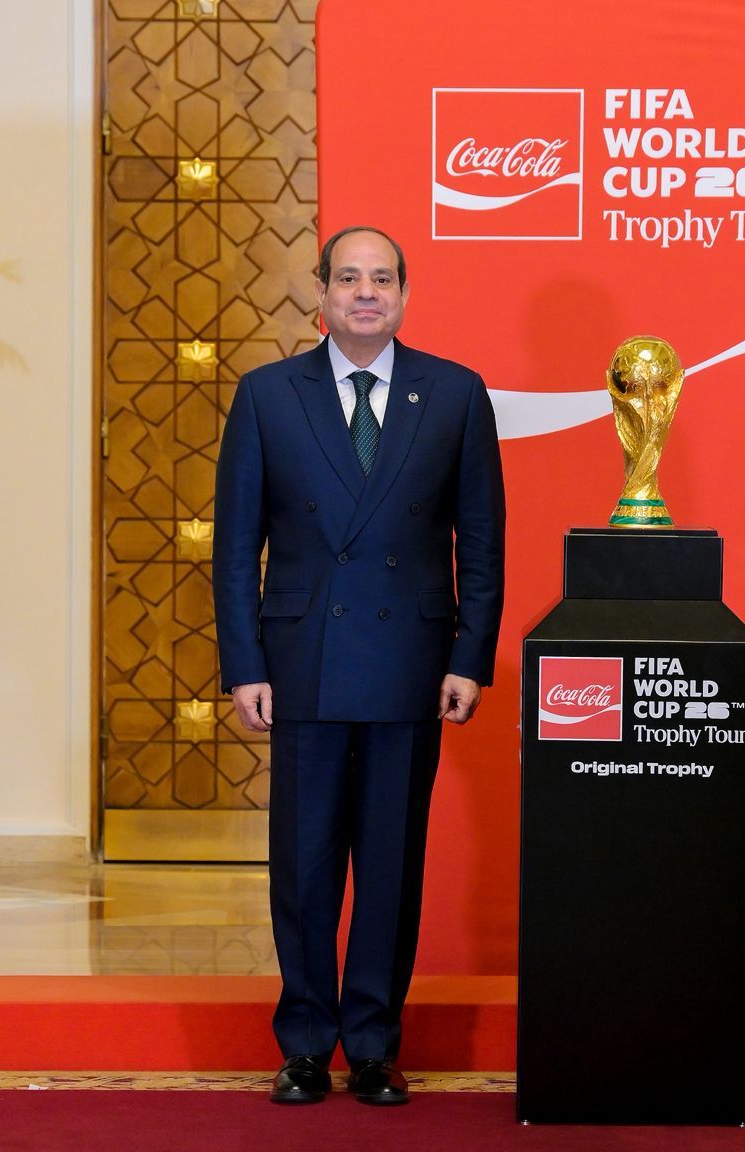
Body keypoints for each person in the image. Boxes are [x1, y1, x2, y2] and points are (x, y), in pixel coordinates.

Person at [212, 226, 506, 1106]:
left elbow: (481, 540)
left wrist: (470, 655)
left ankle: (373, 1044)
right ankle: (305, 1042)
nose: (366, 293)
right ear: (322, 294)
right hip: (301, 660)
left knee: (389, 865)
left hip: (411, 661)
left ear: (405, 295)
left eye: (382, 278)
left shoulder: (454, 393)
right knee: (304, 863)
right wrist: (244, 663)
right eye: (349, 278)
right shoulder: (268, 395)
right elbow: (236, 548)